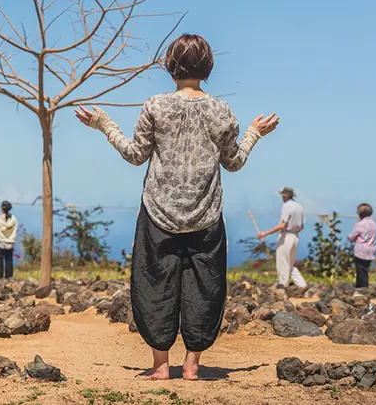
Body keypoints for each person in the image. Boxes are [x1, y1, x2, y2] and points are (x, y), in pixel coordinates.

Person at [75, 33, 279, 381]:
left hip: (158, 213)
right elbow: (234, 162)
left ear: (170, 66)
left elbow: (134, 155)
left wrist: (104, 125)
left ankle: (160, 366)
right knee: (205, 286)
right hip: (206, 215)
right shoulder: (221, 110)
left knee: (154, 283)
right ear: (208, 67)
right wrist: (254, 134)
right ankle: (192, 366)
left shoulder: (155, 105)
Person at [257, 188, 307, 291]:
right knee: (290, 263)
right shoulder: (299, 206)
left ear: (285, 196)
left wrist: (265, 233)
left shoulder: (286, 206)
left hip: (286, 236)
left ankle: (282, 285)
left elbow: (283, 225)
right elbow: (301, 226)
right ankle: (302, 284)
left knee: (282, 262)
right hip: (296, 236)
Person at [347, 203, 376, 288]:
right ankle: (362, 288)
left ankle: (362, 289)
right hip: (371, 250)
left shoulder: (360, 224)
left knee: (360, 271)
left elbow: (351, 236)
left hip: (361, 251)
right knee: (365, 270)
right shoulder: (374, 223)